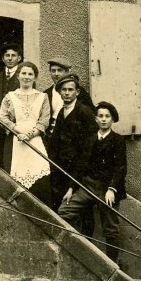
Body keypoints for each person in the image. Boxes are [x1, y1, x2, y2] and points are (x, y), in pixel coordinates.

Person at [58, 102, 127, 264]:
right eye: (100, 116)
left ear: (113, 119)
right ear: (95, 119)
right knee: (64, 211)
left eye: (107, 116)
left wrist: (112, 189)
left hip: (107, 189)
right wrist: (71, 188)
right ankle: (80, 251)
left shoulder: (118, 141)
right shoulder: (89, 139)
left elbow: (120, 168)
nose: (103, 120)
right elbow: (80, 165)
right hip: (87, 186)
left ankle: (112, 264)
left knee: (111, 227)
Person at [0, 61, 52, 207]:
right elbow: (3, 118)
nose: (27, 77)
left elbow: (44, 121)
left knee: (40, 182)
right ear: (18, 76)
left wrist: (28, 135)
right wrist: (17, 130)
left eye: (30, 74)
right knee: (17, 182)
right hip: (16, 142)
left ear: (35, 77)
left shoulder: (43, 97)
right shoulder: (10, 97)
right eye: (24, 73)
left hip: (35, 141)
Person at [48, 73, 97, 211]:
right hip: (62, 167)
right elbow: (55, 141)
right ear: (59, 92)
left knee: (82, 209)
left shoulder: (85, 112)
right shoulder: (61, 113)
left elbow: (90, 143)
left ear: (77, 92)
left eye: (70, 90)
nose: (67, 93)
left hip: (80, 168)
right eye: (64, 90)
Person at [44, 56, 94, 138]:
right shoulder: (46, 93)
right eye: (53, 71)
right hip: (52, 137)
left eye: (59, 70)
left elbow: (89, 116)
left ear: (67, 72)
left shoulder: (79, 92)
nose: (56, 74)